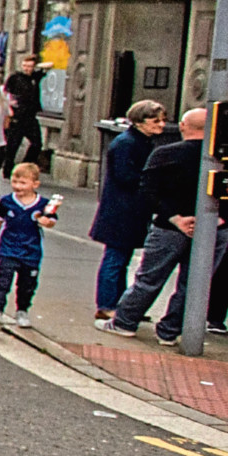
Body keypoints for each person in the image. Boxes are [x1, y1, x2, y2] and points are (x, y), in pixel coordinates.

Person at [101, 108, 223, 339]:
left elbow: (148, 191)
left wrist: (175, 218)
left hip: (170, 226)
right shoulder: (223, 157)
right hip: (214, 227)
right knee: (194, 283)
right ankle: (170, 331)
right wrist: (217, 220)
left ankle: (125, 322)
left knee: (149, 278)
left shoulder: (166, 153)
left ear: (183, 126)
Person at [88, 99, 168, 317]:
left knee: (121, 259)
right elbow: (125, 176)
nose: (161, 125)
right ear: (140, 121)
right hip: (121, 210)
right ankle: (106, 305)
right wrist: (151, 180)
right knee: (115, 258)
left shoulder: (141, 141)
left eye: (162, 120)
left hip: (129, 209)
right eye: (155, 120)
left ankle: (119, 304)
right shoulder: (127, 143)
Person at [0, 162, 59, 325]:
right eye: (14, 182)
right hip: (9, 249)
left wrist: (46, 221)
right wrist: (0, 239)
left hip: (31, 251)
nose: (17, 186)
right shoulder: (6, 202)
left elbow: (51, 220)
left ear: (35, 184)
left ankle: (22, 311)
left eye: (23, 183)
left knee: (27, 284)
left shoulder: (42, 204)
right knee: (2, 281)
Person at [3, 53, 44, 171]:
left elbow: (49, 66)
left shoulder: (35, 77)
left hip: (30, 116)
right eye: (24, 65)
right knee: (13, 145)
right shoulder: (15, 77)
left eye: (29, 66)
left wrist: (37, 63)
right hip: (17, 115)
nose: (26, 68)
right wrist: (9, 108)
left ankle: (26, 165)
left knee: (37, 143)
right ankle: (8, 169)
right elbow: (6, 93)